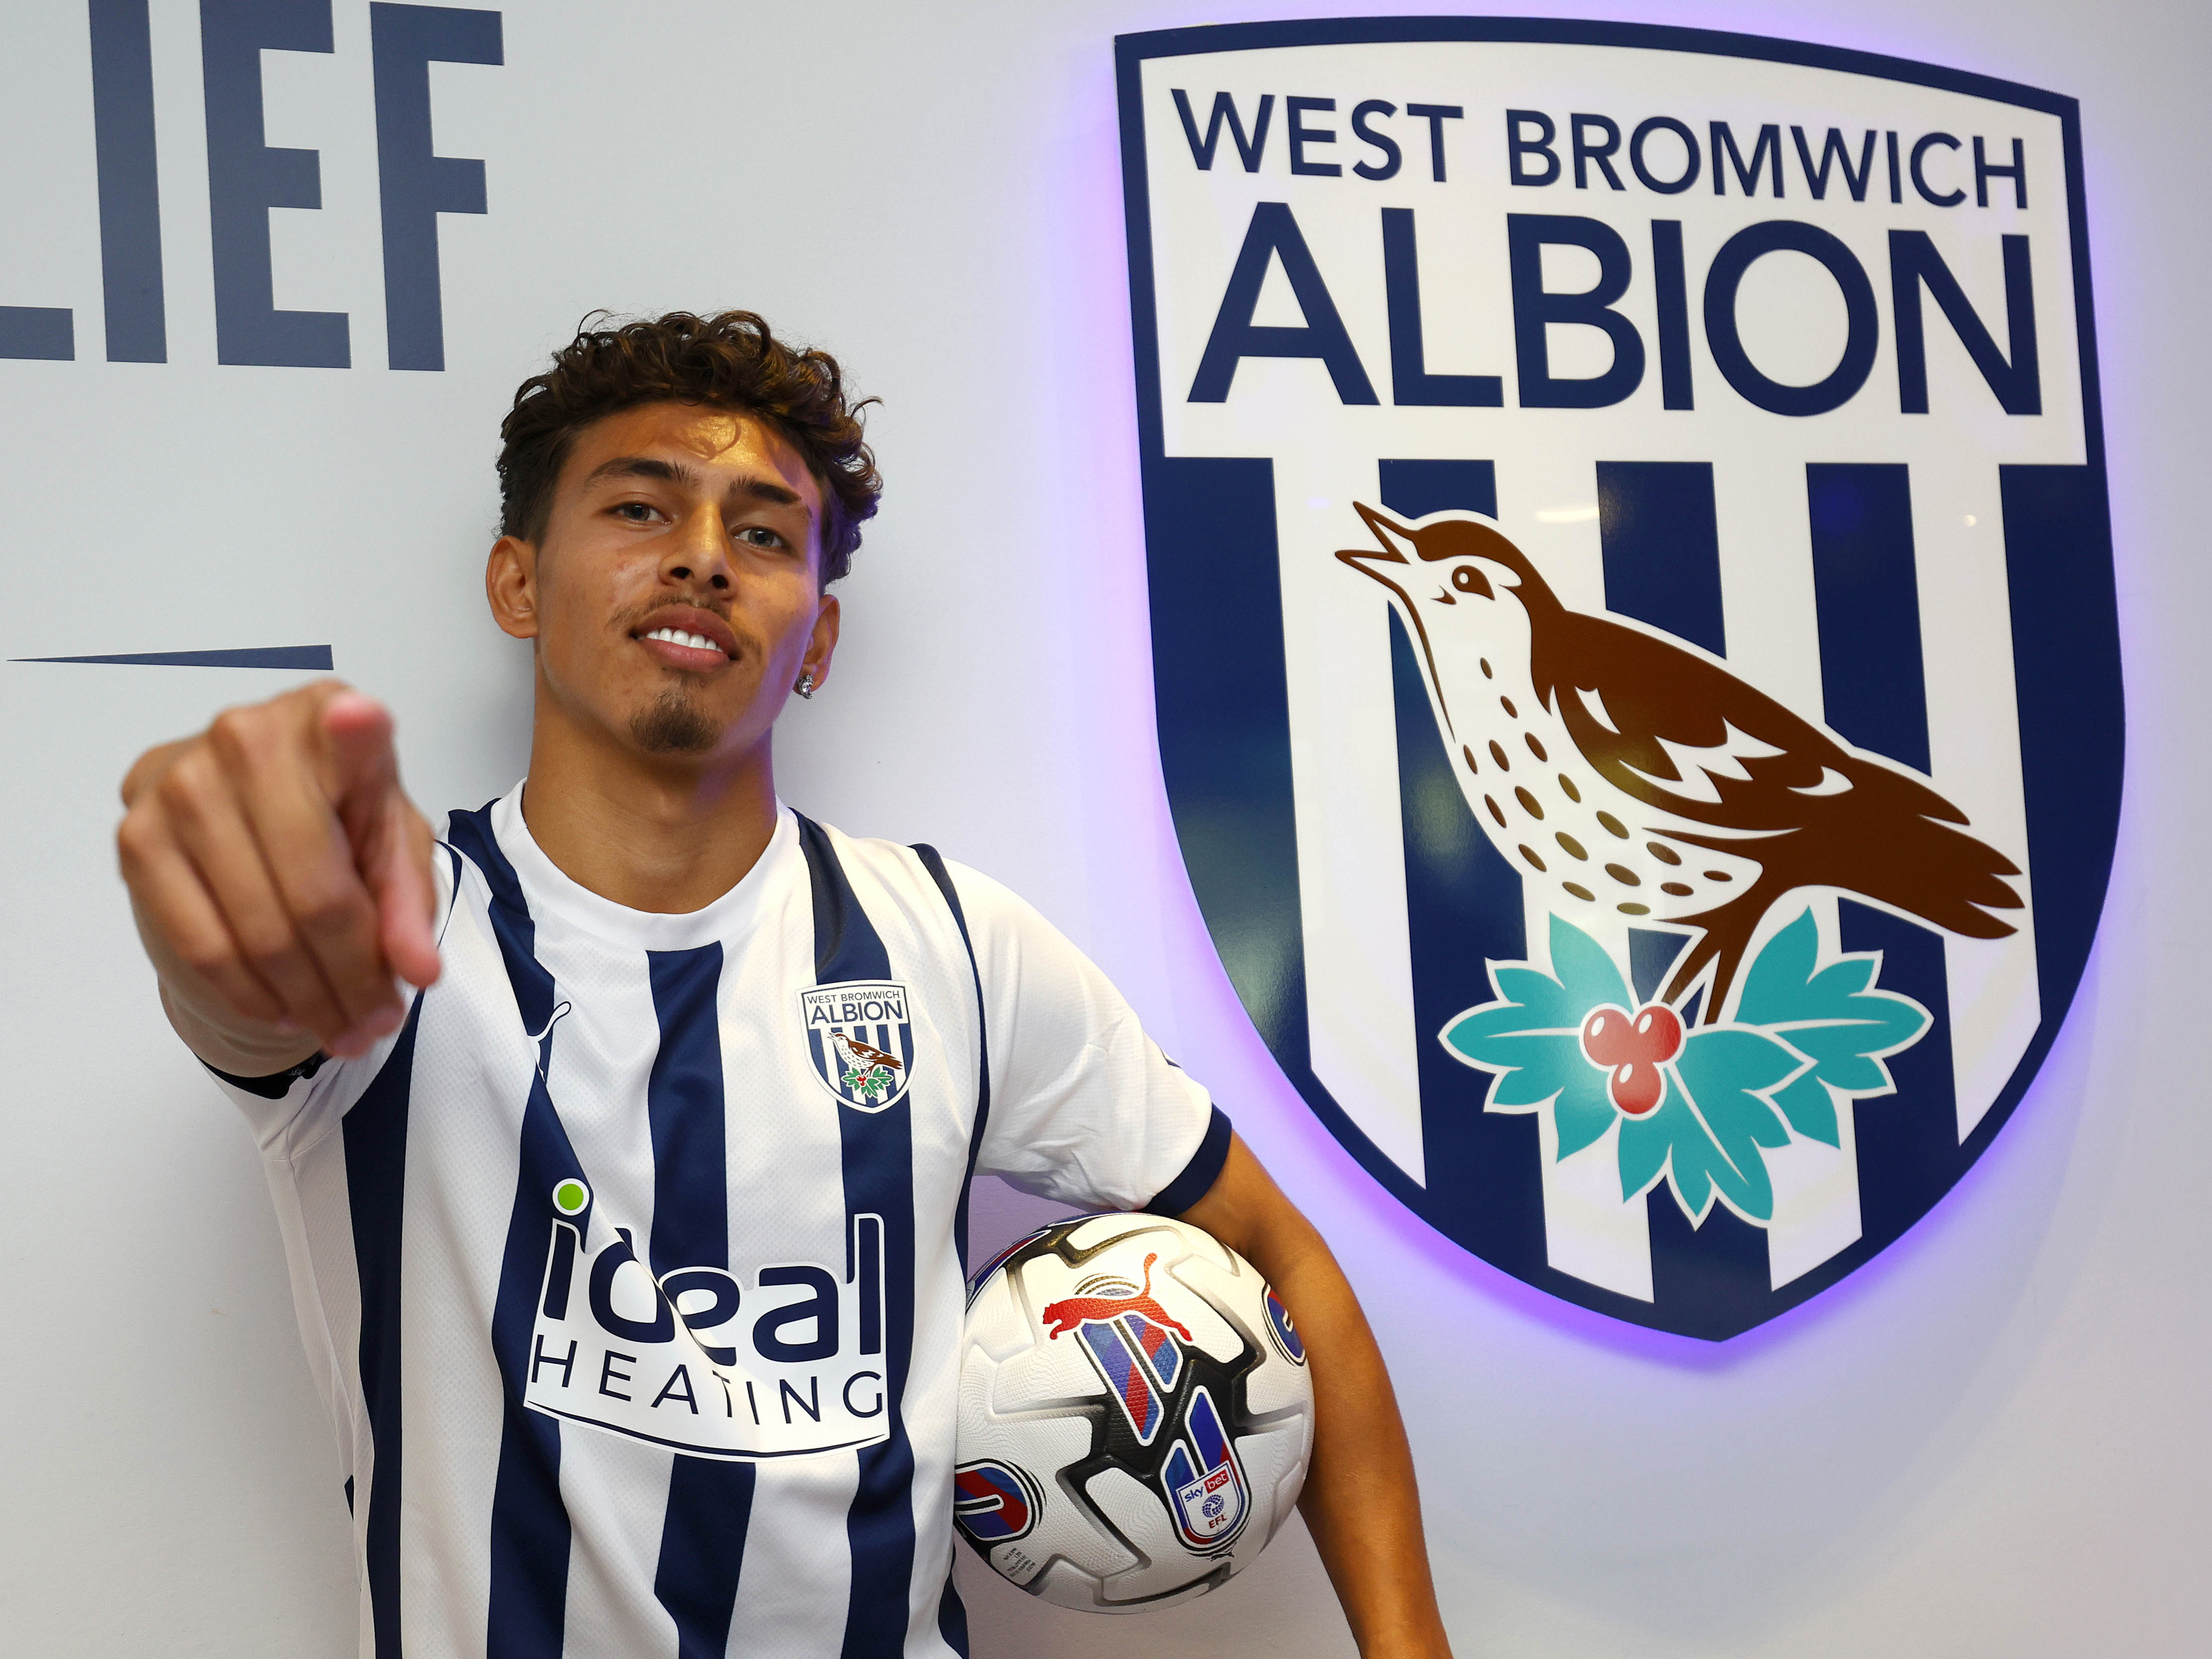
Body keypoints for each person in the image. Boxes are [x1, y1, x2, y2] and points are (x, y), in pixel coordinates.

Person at [116, 311, 1454, 1659]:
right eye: (641, 507)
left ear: (814, 639)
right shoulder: (405, 935)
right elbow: (245, 991)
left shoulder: (953, 945)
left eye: (763, 534)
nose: (702, 555)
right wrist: (227, 869)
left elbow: (1286, 1261)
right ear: (517, 585)